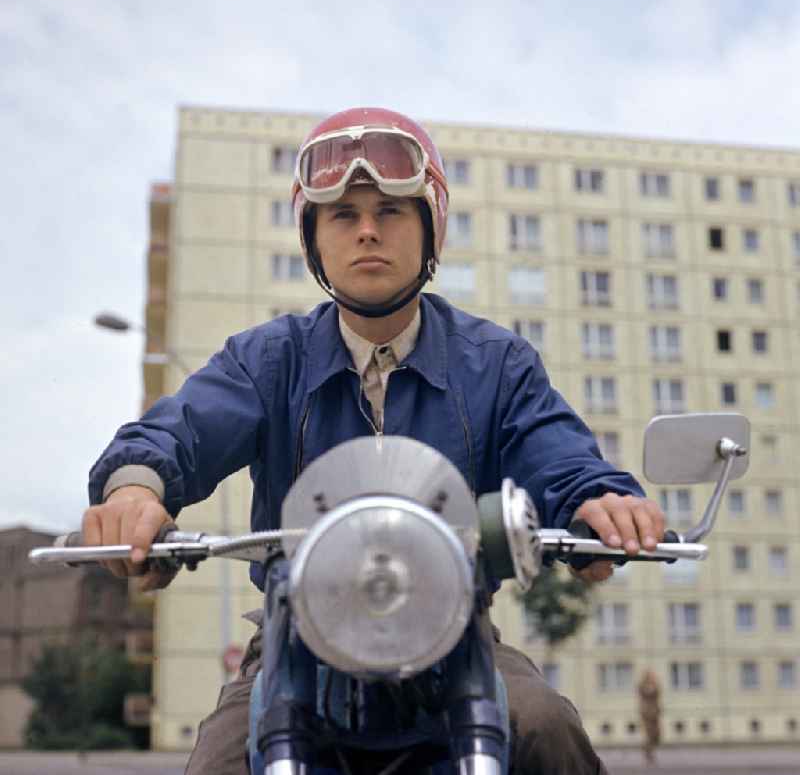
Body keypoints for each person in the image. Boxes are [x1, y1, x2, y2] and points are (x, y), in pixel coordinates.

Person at [82, 106, 665, 774]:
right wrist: (136, 488)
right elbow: (181, 427)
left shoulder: (496, 363)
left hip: (455, 636)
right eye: (342, 214)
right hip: (295, 640)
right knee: (219, 759)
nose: (367, 231)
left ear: (429, 229)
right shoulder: (270, 359)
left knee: (546, 727)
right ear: (314, 239)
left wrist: (598, 498)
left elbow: (554, 447)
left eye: (390, 211)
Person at [637, 670, 662, 765]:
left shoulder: (655, 684)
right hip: (646, 713)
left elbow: (658, 692)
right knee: (648, 735)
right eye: (651, 676)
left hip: (655, 713)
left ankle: (649, 753)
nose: (653, 677)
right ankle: (648, 755)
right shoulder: (643, 686)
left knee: (656, 735)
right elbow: (648, 692)